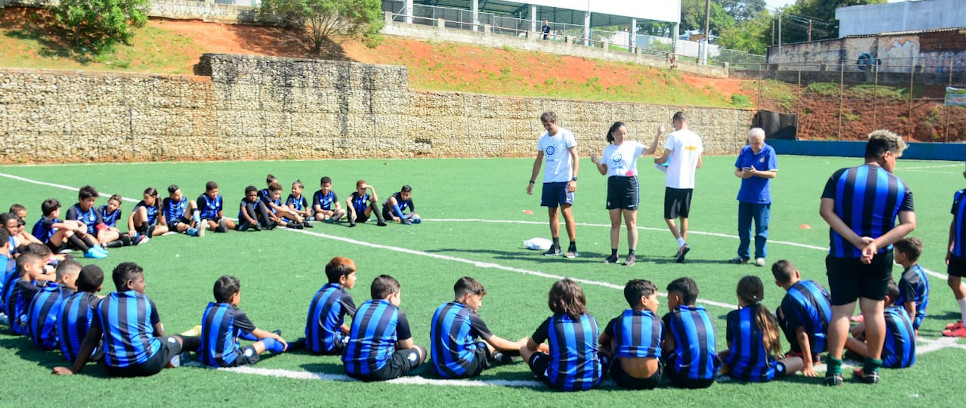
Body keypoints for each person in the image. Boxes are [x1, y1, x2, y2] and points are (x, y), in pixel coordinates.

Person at [819, 129, 915, 386]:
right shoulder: (900, 186)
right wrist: (877, 244)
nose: (895, 163)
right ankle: (872, 369)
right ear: (886, 155)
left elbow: (825, 211)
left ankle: (833, 371)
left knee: (841, 312)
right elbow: (909, 224)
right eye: (895, 157)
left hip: (842, 254)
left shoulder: (840, 176)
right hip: (879, 257)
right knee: (873, 312)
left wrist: (854, 240)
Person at [52, 262, 202, 377]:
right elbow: (160, 335)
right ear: (130, 284)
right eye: (142, 281)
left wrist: (74, 369)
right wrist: (168, 351)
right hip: (147, 365)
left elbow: (91, 338)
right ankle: (213, 353)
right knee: (182, 340)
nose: (145, 284)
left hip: (113, 368)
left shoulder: (103, 303)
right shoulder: (145, 301)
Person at [590, 121, 662, 265]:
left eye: (624, 133)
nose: (622, 136)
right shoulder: (608, 150)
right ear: (613, 134)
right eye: (619, 134)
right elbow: (604, 171)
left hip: (629, 184)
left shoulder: (633, 146)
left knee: (631, 222)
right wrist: (597, 162)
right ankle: (614, 254)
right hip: (613, 185)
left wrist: (658, 135)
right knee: (615, 222)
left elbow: (651, 150)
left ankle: (631, 255)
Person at [430, 277, 526, 379]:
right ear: (468, 297)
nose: (480, 304)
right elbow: (496, 343)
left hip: (437, 369)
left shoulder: (439, 309)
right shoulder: (469, 315)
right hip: (462, 369)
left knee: (477, 344)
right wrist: (520, 345)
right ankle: (527, 352)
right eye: (479, 299)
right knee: (488, 344)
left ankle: (497, 356)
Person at [520, 278, 602, 391]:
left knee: (523, 347)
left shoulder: (551, 323)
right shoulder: (591, 320)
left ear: (554, 301)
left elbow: (530, 346)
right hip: (593, 380)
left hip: (559, 381)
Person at [718, 275, 804, 382]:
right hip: (765, 373)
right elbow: (769, 346)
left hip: (737, 371)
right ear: (761, 295)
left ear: (739, 296)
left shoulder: (733, 316)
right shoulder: (768, 316)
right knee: (799, 361)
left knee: (720, 356)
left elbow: (730, 345)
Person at [342, 275, 426, 381]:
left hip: (349, 367)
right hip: (377, 370)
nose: (399, 300)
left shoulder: (362, 308)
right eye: (398, 296)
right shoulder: (397, 313)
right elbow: (407, 346)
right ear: (391, 297)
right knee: (420, 351)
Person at [199, 275, 288, 367]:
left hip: (205, 358)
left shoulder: (209, 307)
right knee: (269, 342)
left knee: (238, 330)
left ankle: (269, 335)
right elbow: (259, 333)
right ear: (234, 296)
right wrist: (275, 336)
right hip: (226, 361)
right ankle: (289, 346)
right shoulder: (234, 313)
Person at [526, 111, 580, 258]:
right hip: (549, 181)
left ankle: (573, 246)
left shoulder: (565, 135)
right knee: (552, 213)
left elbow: (576, 157)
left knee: (566, 212)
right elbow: (538, 160)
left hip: (564, 180)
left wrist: (574, 178)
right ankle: (556, 247)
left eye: (548, 125)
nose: (546, 128)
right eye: (544, 125)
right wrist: (532, 181)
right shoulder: (543, 139)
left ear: (555, 122)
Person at [654, 111, 703, 263]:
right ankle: (681, 248)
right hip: (689, 183)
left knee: (668, 217)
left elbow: (663, 158)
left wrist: (656, 160)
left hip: (675, 182)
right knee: (684, 216)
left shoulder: (674, 136)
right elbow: (699, 164)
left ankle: (682, 243)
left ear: (676, 121)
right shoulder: (696, 137)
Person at [598, 279, 663, 389]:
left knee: (613, 337)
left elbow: (601, 341)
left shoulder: (618, 320)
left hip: (625, 379)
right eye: (655, 298)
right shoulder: (659, 321)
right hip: (653, 379)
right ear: (644, 300)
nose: (658, 302)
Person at [771, 259, 831, 377]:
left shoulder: (789, 300)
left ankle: (801, 351)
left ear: (778, 283)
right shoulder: (814, 283)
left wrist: (808, 363)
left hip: (816, 344)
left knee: (780, 311)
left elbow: (801, 333)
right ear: (797, 273)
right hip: (835, 339)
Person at [730, 128, 778, 267]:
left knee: (761, 228)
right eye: (752, 143)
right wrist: (742, 175)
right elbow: (736, 170)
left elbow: (773, 173)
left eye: (757, 143)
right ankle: (743, 254)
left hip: (761, 198)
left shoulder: (769, 151)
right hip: (744, 196)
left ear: (763, 139)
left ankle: (760, 256)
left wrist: (756, 173)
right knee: (743, 228)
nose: (754, 146)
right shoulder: (745, 150)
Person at [845, 280, 916, 370]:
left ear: (885, 300)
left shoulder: (882, 315)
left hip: (892, 361)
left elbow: (856, 332)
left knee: (845, 339)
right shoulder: (901, 310)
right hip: (908, 360)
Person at [661, 277, 718, 388]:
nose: (668, 303)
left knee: (668, 334)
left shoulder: (671, 317)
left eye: (669, 299)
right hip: (710, 378)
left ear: (677, 299)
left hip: (683, 378)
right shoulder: (705, 314)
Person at [303, 256, 358, 355]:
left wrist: (347, 330)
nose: (355, 278)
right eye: (353, 275)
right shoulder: (344, 296)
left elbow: (330, 319)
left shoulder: (322, 290)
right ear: (342, 279)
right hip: (329, 347)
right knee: (365, 343)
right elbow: (361, 322)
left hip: (310, 343)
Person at [27, 259, 80, 350]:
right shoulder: (65, 294)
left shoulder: (44, 288)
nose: (80, 283)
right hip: (50, 342)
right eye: (78, 280)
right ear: (66, 278)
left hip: (35, 338)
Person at [57, 265, 104, 362]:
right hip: (89, 354)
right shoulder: (96, 305)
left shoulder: (65, 300)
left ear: (76, 282)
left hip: (67, 354)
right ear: (99, 287)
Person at [32, 199, 106, 259]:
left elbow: (71, 222)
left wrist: (82, 225)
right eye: (59, 211)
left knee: (72, 224)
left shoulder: (51, 218)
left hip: (50, 245)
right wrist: (78, 229)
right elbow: (65, 227)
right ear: (53, 213)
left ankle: (93, 246)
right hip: (43, 248)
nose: (59, 212)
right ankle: (87, 251)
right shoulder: (45, 221)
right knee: (64, 230)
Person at [943, 163, 966, 337]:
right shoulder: (959, 195)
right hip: (958, 251)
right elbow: (953, 222)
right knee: (953, 281)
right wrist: (950, 246)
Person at [6, 252, 52, 335]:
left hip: (22, 322)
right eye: (40, 267)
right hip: (19, 326)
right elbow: (46, 294)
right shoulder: (21, 284)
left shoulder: (28, 282)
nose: (41, 271)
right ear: (27, 267)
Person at [893, 237, 928, 336]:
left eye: (896, 252)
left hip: (906, 320)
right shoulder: (919, 271)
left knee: (859, 332)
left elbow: (911, 310)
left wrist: (908, 330)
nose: (895, 254)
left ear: (903, 255)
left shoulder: (907, 280)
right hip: (917, 318)